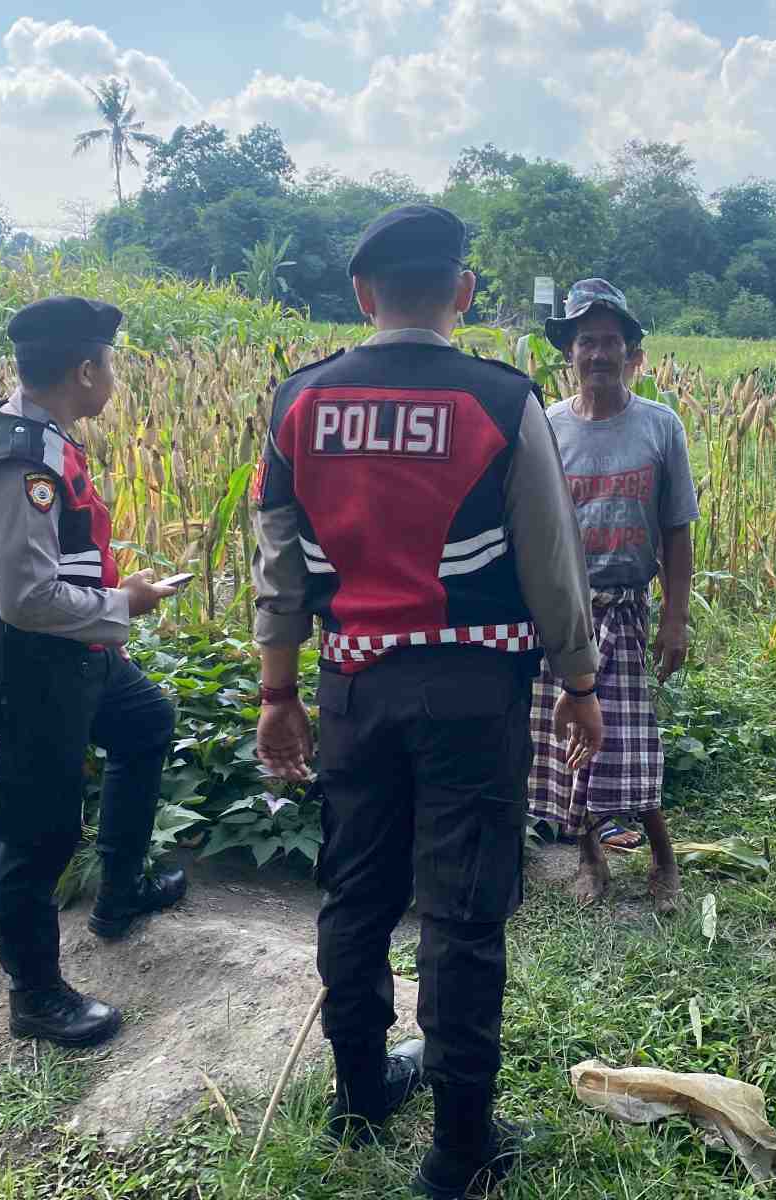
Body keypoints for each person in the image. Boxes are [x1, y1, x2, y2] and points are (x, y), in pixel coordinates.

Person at [248, 204, 603, 1199]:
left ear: (363, 296)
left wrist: (278, 689)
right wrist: (579, 682)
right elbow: (550, 561)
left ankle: (360, 1090)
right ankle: (458, 1149)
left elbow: (278, 570)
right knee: (463, 911)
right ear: (462, 292)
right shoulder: (500, 400)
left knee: (357, 894)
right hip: (471, 694)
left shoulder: (300, 402)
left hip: (353, 688)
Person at [0, 296, 187, 1047]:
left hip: (77, 652)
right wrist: (127, 602)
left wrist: (109, 600)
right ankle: (36, 996)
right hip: (34, 666)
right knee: (37, 830)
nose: (112, 377)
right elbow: (26, 599)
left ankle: (119, 891)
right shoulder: (25, 461)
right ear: (85, 370)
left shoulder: (35, 435)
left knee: (146, 722)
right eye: (109, 364)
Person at [526, 279, 697, 915]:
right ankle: (590, 855)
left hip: (625, 606)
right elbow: (532, 528)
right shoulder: (545, 428)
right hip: (563, 611)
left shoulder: (660, 427)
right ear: (569, 352)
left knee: (632, 737)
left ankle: (663, 855)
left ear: (632, 354)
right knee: (571, 738)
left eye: (612, 343)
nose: (599, 354)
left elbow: (678, 531)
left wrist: (675, 621)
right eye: (586, 342)